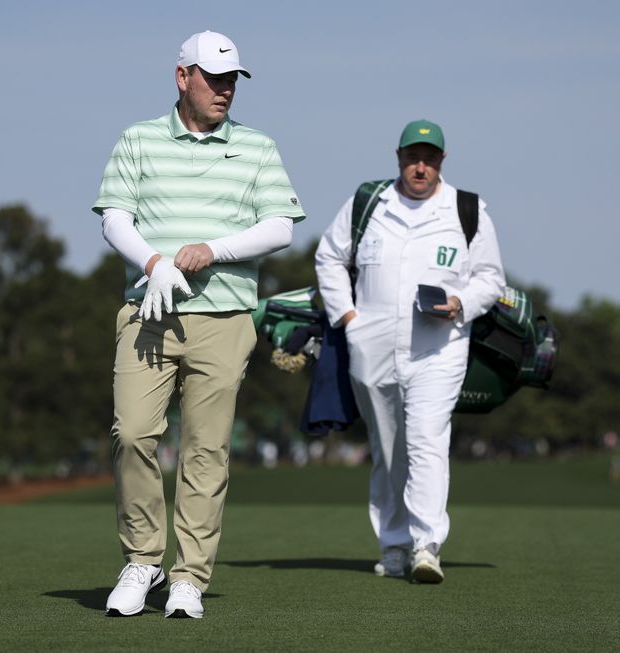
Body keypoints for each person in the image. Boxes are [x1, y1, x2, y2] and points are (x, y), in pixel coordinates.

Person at [92, 30, 306, 618]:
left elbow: (280, 227)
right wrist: (154, 262)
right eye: (214, 79)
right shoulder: (137, 140)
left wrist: (212, 248)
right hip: (149, 312)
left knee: (206, 450)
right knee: (132, 433)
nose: (225, 90)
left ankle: (187, 577)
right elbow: (115, 218)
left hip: (226, 316)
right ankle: (143, 561)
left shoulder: (257, 147)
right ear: (182, 76)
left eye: (233, 79)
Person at [313, 120, 505, 583]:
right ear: (398, 156)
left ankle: (426, 545)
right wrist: (348, 319)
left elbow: (491, 278)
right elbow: (329, 257)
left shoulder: (467, 210)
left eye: (430, 158)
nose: (421, 167)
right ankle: (393, 545)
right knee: (387, 450)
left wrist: (461, 302)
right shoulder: (368, 202)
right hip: (371, 345)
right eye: (413, 157)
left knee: (426, 441)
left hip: (439, 348)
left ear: (443, 160)